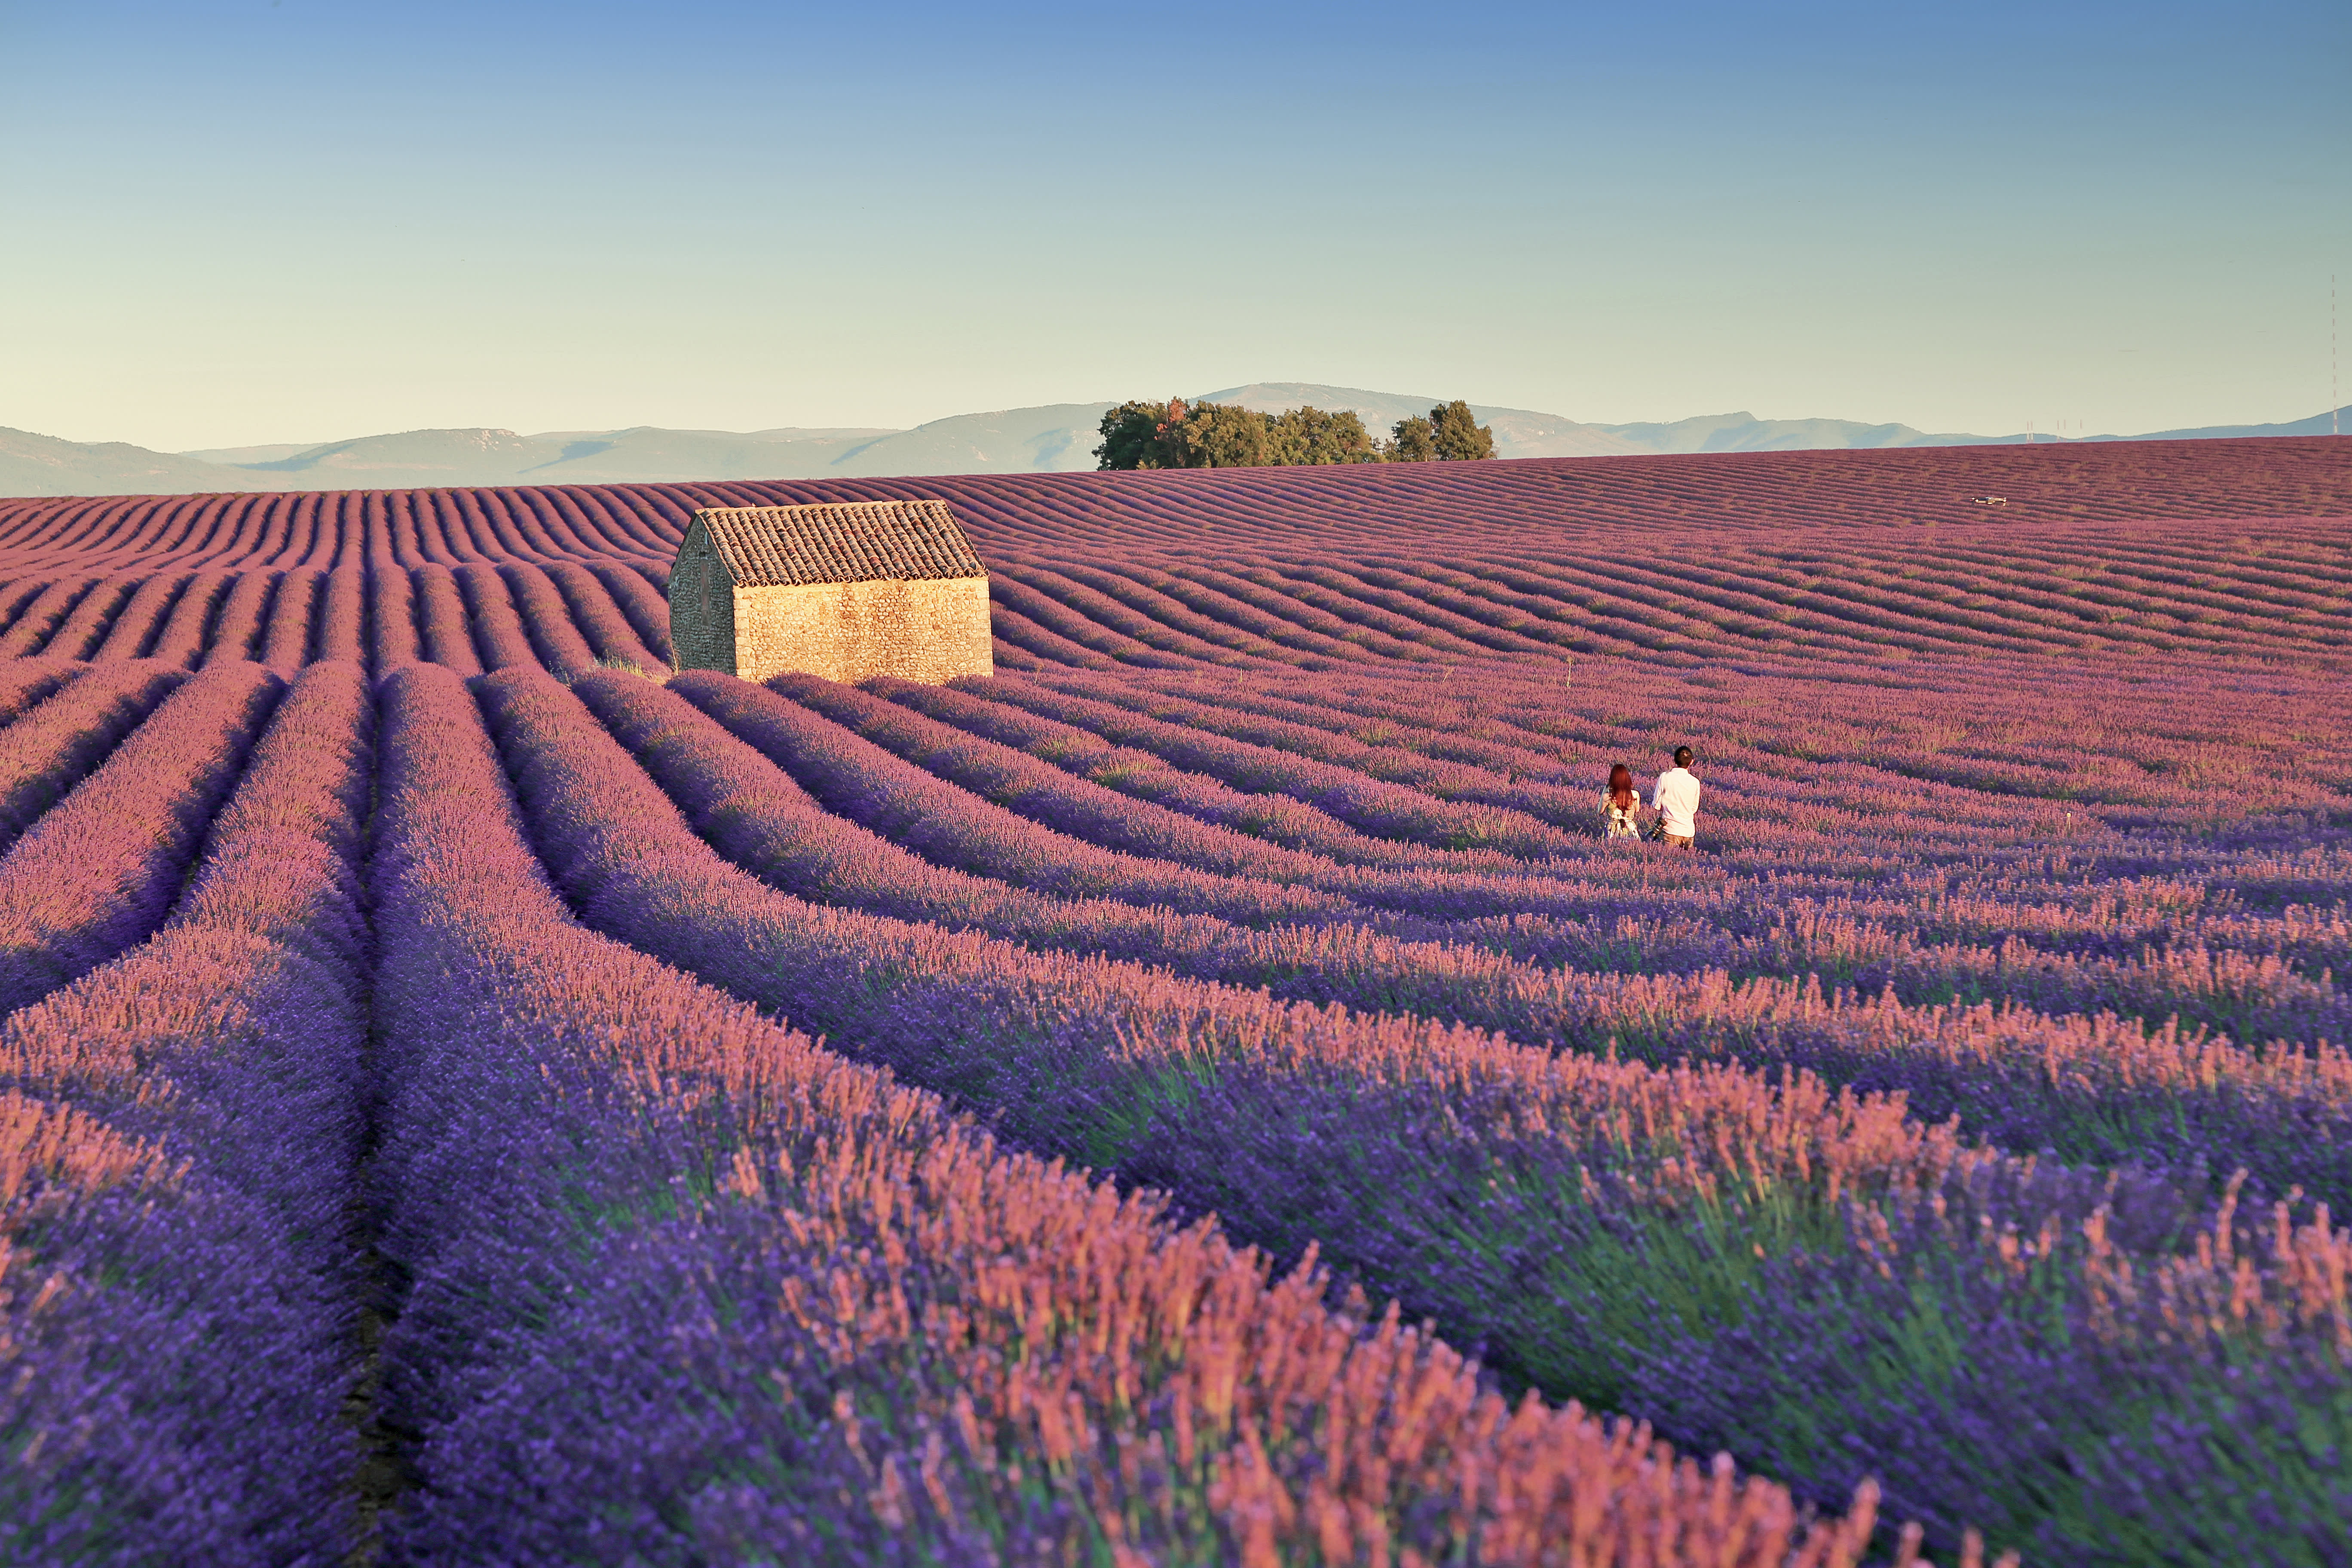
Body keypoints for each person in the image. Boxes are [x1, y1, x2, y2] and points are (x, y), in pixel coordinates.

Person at [1651, 745, 1700, 849]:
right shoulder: (1695, 782)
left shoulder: (1665, 777)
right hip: (1688, 831)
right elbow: (1694, 809)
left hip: (1670, 830)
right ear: (1692, 762)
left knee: (1668, 862)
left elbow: (1656, 805)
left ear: (1674, 760)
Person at [1601, 763, 1644, 839]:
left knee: (1609, 848)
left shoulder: (1608, 796)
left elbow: (1600, 812)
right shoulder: (1635, 794)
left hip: (1612, 829)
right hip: (1629, 827)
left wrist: (1605, 791)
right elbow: (1637, 810)